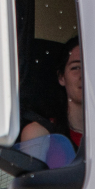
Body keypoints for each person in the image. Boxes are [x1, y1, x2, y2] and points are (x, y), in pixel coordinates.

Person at [18, 36, 84, 166]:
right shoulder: (39, 134)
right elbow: (32, 179)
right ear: (61, 78)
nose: (84, 74)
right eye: (76, 67)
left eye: (91, 67)